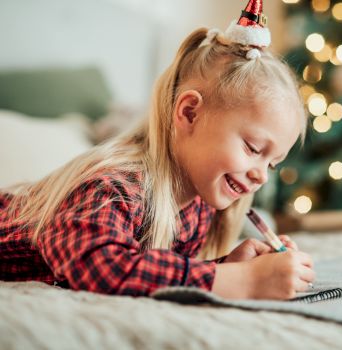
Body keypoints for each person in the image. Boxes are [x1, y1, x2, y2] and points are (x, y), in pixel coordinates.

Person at [0, 0, 315, 300]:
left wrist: (228, 267)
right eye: (253, 148)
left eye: (272, 165)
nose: (261, 176)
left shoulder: (195, 209)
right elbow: (102, 271)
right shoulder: (113, 188)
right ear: (190, 112)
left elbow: (152, 271)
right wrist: (247, 281)